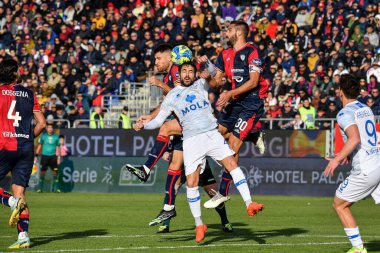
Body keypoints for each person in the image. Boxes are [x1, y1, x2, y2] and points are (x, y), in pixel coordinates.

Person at [134, 61, 264, 243]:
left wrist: (207, 64)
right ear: (179, 75)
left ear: (195, 74)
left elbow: (213, 71)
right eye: (184, 71)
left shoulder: (200, 84)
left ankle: (250, 203)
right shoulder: (171, 96)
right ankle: (199, 224)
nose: (187, 74)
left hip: (211, 134)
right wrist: (143, 125)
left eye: (191, 71)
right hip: (191, 141)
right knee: (193, 183)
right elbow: (158, 122)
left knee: (231, 163)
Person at [125, 44, 232, 233]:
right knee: (174, 174)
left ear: (169, 58)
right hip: (182, 133)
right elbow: (169, 104)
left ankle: (224, 220)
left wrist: (159, 85)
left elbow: (182, 93)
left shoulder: (176, 71)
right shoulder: (169, 76)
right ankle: (166, 217)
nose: (156, 62)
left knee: (207, 186)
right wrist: (150, 117)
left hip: (193, 130)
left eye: (158, 58)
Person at [197, 20, 268, 206]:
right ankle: (254, 135)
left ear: (238, 32)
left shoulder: (252, 52)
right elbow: (218, 83)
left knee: (232, 147)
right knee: (214, 133)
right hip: (235, 102)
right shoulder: (224, 54)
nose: (225, 34)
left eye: (228, 31)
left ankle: (222, 193)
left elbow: (253, 82)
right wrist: (207, 75)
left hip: (251, 104)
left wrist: (230, 93)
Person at [324, 74, 380, 253]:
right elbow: (365, 137)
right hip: (377, 162)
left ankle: (358, 249)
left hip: (366, 169)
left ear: (341, 91)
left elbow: (355, 138)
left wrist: (337, 159)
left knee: (339, 204)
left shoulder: (344, 113)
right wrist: (346, 154)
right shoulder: (366, 108)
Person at [0, 58, 46, 249]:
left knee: (14, 198)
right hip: (25, 148)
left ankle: (10, 201)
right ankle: (23, 236)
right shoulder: (29, 94)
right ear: (15, 73)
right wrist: (27, 138)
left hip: (4, 145)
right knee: (21, 194)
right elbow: (42, 123)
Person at [35, 123, 62, 193]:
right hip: (44, 156)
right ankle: (40, 188)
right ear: (46, 129)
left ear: (53, 129)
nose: (50, 129)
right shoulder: (43, 136)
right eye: (48, 127)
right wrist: (36, 155)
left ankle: (56, 189)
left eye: (51, 128)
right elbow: (40, 146)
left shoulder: (56, 137)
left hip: (53, 157)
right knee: (43, 172)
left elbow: (59, 147)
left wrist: (59, 157)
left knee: (55, 172)